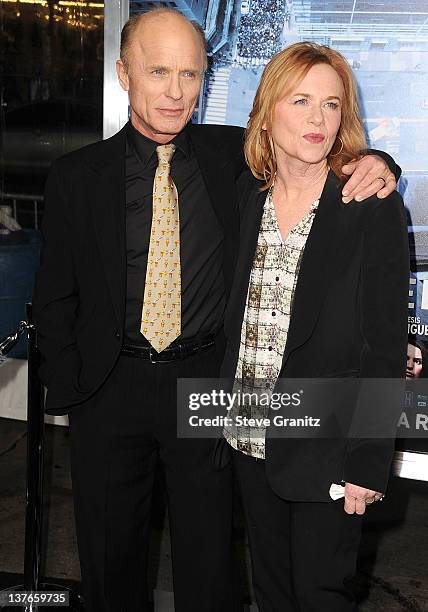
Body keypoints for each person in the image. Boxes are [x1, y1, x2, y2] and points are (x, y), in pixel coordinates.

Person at [32, 10, 400, 612]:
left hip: (203, 385)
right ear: (124, 74)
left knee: (212, 564)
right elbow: (54, 296)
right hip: (110, 387)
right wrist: (74, 386)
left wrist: (379, 163)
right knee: (109, 560)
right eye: (158, 72)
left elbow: (318, 141)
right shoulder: (77, 176)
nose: (176, 92)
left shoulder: (229, 155)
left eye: (190, 74)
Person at [220, 42, 409, 611]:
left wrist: (367, 461)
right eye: (300, 100)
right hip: (247, 439)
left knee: (320, 596)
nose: (317, 118)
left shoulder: (368, 205)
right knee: (272, 593)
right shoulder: (246, 195)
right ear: (267, 109)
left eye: (331, 104)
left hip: (327, 447)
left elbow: (383, 347)